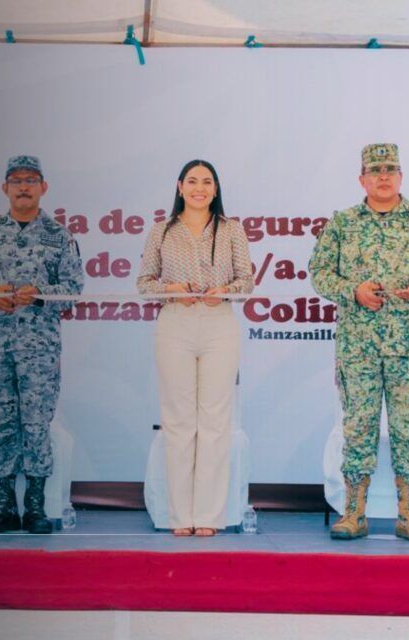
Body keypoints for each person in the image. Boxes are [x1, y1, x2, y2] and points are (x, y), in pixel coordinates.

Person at [309, 143, 409, 542]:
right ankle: (353, 513)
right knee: (357, 428)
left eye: (390, 169)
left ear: (401, 176)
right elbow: (319, 273)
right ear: (362, 179)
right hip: (358, 347)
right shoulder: (343, 223)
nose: (383, 176)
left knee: (408, 430)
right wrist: (352, 290)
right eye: (375, 170)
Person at [0, 156, 84, 534]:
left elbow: (74, 290)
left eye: (31, 180)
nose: (23, 186)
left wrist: (40, 293)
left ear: (44, 187)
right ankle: (4, 506)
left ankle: (36, 508)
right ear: (4, 188)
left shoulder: (59, 235)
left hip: (39, 350)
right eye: (16, 181)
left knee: (37, 425)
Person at [137, 159, 254, 537]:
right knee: (179, 422)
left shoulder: (232, 230)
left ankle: (208, 517)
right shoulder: (161, 231)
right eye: (192, 181)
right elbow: (144, 282)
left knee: (216, 422)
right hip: (175, 322)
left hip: (218, 321)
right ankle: (179, 516)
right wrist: (170, 289)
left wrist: (225, 291)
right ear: (179, 186)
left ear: (216, 189)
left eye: (207, 182)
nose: (199, 188)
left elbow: (246, 281)